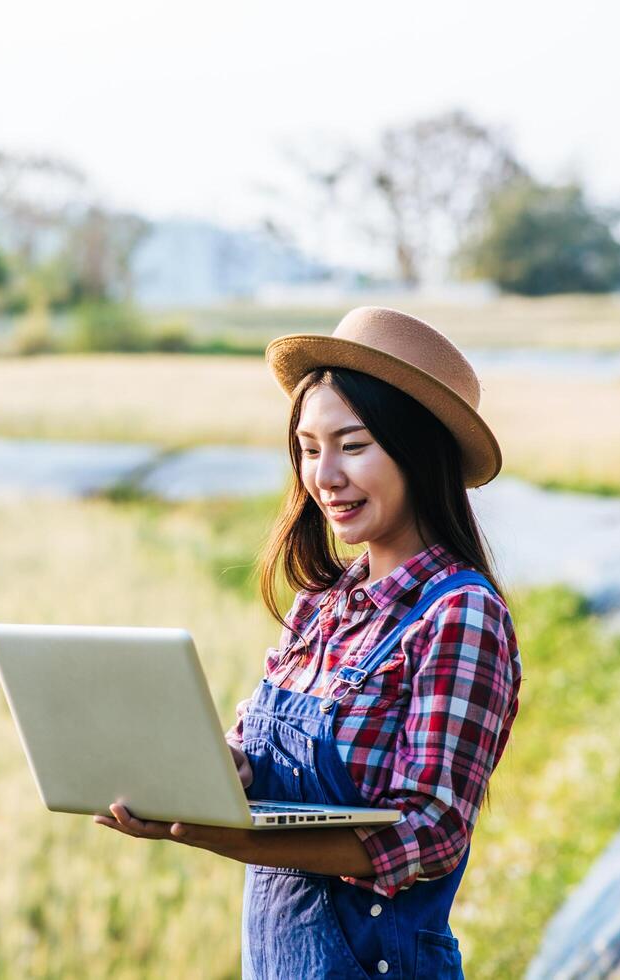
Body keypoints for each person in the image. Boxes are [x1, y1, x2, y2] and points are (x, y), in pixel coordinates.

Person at [94, 306, 523, 979]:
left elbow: (431, 832)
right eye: (308, 446)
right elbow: (260, 764)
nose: (323, 475)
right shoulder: (318, 608)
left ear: (418, 450)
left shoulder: (460, 615)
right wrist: (196, 777)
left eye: (352, 445)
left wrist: (232, 840)